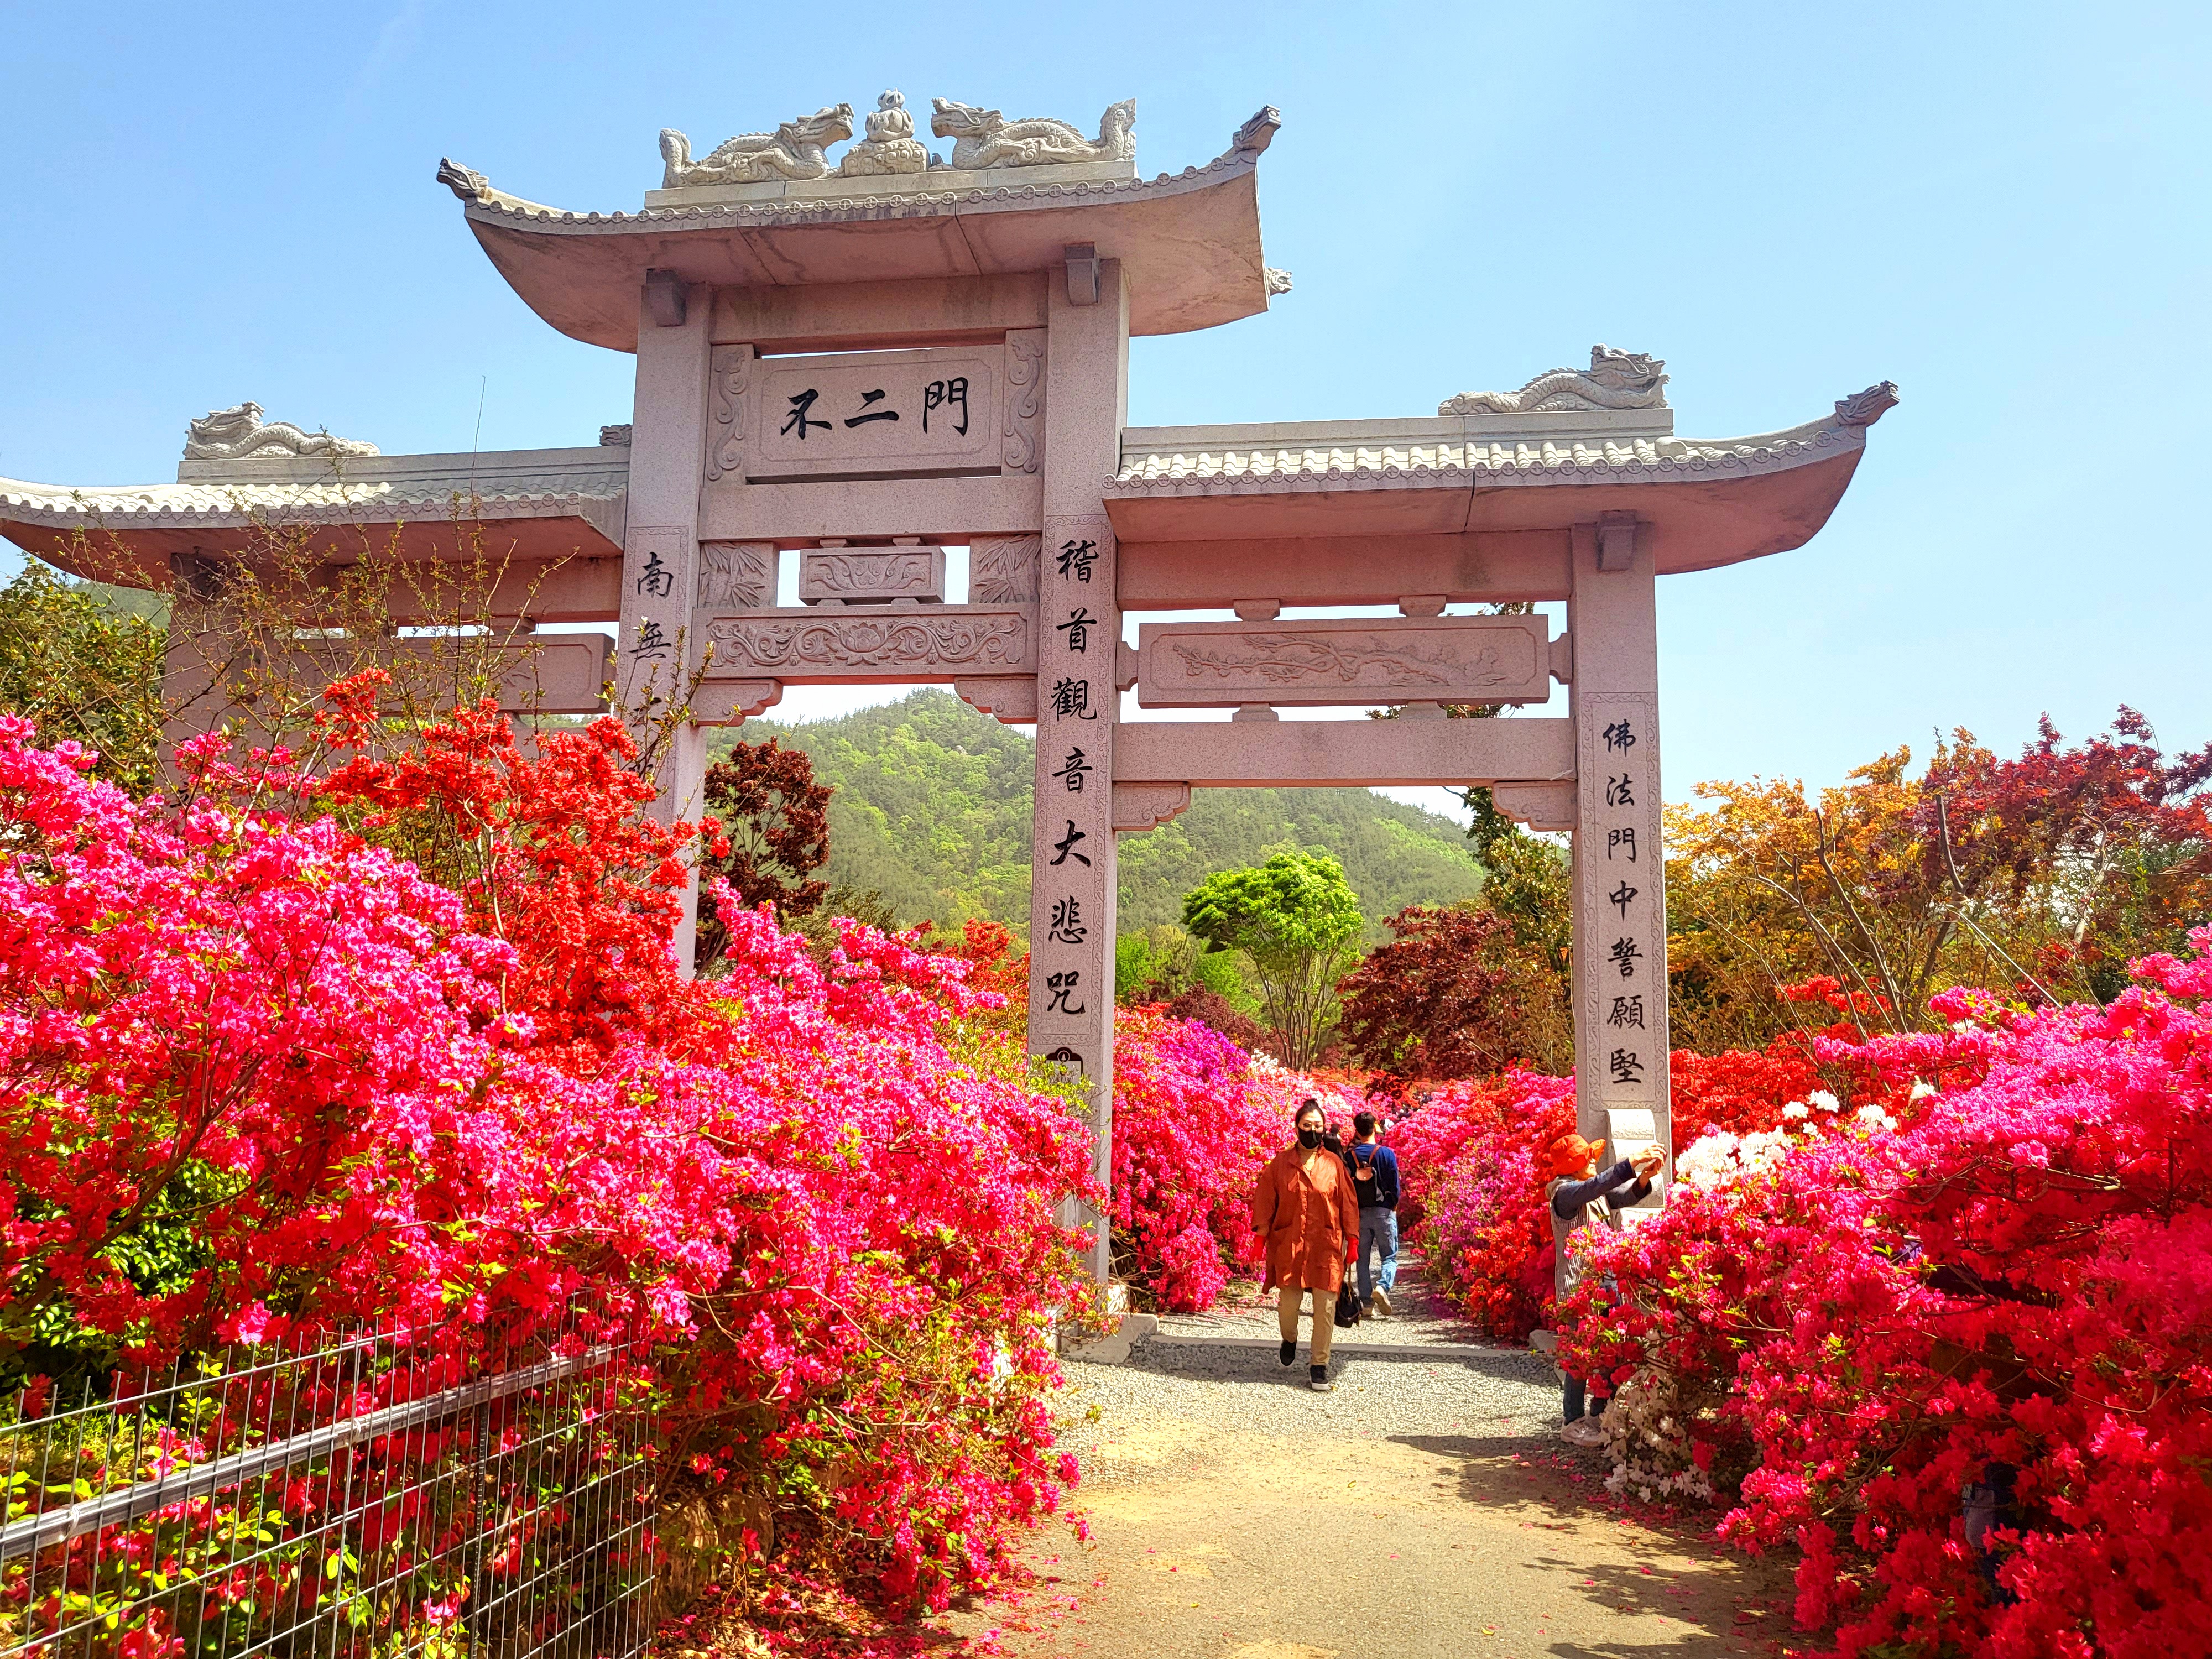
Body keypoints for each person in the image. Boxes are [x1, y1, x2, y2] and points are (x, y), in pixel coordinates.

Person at [1544, 1130, 1664, 1447]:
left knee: (1609, 1354)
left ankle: (1599, 1417)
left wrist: (1643, 1178)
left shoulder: (1588, 1191)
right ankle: (1572, 1421)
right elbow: (1594, 1187)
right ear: (1574, 1166)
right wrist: (1631, 1162)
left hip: (1606, 1283)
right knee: (1581, 1358)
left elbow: (1620, 1196)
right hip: (1579, 1290)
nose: (1595, 1162)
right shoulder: (1565, 1194)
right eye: (1589, 1159)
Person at [1251, 1098, 1361, 1392]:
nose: (1312, 1131)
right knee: (1288, 1305)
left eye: (1318, 1126)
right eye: (1307, 1126)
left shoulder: (1334, 1165)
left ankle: (1319, 1366)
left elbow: (1348, 1203)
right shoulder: (1280, 1164)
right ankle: (1289, 1338)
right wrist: (1260, 1238)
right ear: (1297, 1127)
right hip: (1290, 1243)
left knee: (1325, 1307)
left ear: (1324, 1129)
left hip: (1325, 1245)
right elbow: (1265, 1200)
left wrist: (1352, 1240)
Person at [1348, 1110, 1400, 1316]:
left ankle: (1367, 1304)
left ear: (1357, 1131)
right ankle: (1383, 1287)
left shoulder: (1349, 1156)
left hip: (1359, 1213)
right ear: (1375, 1129)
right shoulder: (1386, 1154)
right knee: (1389, 1256)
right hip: (1383, 1211)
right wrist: (1393, 1206)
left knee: (1362, 1258)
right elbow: (1395, 1186)